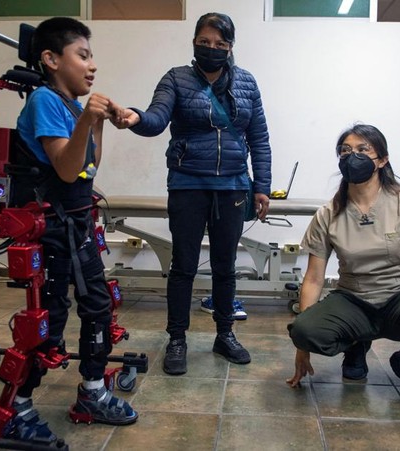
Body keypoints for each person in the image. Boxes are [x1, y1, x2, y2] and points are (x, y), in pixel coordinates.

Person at [112, 12, 272, 375]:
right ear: (194, 42)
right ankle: (177, 339)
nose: (212, 48)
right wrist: (135, 118)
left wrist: (262, 187)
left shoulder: (246, 82)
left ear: (230, 47)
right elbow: (156, 118)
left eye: (220, 43)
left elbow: (259, 138)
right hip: (188, 185)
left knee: (224, 267)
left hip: (233, 186)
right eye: (204, 42)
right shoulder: (176, 78)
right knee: (183, 266)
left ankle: (225, 334)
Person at [10, 17, 137, 443]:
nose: (92, 64)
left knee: (98, 306)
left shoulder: (71, 108)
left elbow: (88, 166)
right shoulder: (44, 100)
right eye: (82, 55)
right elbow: (66, 170)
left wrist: (96, 120)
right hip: (52, 226)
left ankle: (92, 392)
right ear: (51, 59)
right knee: (50, 317)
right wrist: (88, 118)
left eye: (91, 56)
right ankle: (17, 406)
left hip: (76, 222)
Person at [285, 124, 400, 405]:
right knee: (306, 330)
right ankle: (356, 343)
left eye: (363, 150)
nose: (353, 156)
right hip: (353, 299)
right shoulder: (328, 214)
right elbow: (314, 279)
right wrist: (301, 346)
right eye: (345, 151)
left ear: (382, 160)